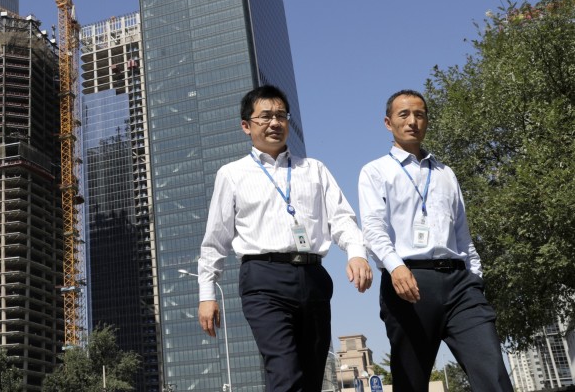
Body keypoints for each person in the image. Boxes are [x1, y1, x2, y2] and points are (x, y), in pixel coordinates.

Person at [197, 84, 372, 392]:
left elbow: (342, 217)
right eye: (265, 116)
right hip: (263, 279)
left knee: (311, 376)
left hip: (313, 276)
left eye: (281, 115)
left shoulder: (314, 170)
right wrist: (207, 294)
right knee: (284, 372)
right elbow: (215, 239)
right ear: (246, 126)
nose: (275, 123)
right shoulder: (232, 174)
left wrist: (356, 252)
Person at [358, 89, 513, 392]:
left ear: (427, 121)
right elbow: (373, 229)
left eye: (420, 114)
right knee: (412, 383)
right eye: (404, 114)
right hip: (408, 283)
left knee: (493, 373)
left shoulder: (445, 173)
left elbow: (463, 235)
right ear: (388, 122)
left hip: (460, 285)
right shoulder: (375, 172)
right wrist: (395, 267)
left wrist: (474, 279)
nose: (412, 121)